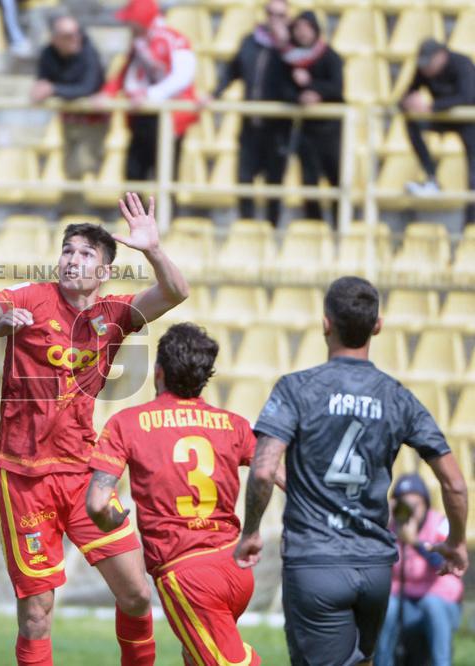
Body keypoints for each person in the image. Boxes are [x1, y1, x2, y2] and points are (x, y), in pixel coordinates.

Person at [0, 193, 189, 666]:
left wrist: (154, 250)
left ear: (104, 272)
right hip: (23, 478)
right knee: (37, 613)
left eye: (85, 255)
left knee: (137, 594)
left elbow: (175, 292)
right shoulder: (31, 297)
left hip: (84, 478)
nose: (72, 261)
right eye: (67, 251)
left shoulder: (116, 314)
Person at [235, 276, 469, 666]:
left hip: (316, 563)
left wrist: (252, 531)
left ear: (326, 323)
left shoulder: (296, 389)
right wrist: (458, 543)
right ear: (377, 327)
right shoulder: (397, 396)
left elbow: (263, 471)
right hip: (376, 569)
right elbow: (455, 484)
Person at [86, 323, 266, 666]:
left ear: (158, 372)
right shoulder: (235, 424)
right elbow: (272, 473)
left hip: (189, 575)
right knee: (194, 655)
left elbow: (97, 502)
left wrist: (108, 519)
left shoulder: (128, 423)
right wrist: (254, 529)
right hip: (237, 569)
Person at [212, 0, 292, 226]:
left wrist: (285, 44)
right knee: (245, 178)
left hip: (277, 126)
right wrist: (214, 93)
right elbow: (232, 71)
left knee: (274, 181)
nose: (274, 19)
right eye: (271, 13)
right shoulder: (250, 41)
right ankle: (245, 226)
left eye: (280, 15)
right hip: (250, 124)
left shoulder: (290, 48)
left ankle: (272, 228)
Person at [102, 0, 198, 184]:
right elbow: (125, 73)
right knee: (133, 176)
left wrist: (150, 95)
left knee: (166, 177)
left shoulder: (172, 39)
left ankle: (164, 214)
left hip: (169, 119)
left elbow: (183, 77)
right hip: (141, 118)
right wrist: (108, 92)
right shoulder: (139, 44)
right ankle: (134, 214)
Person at [374, 474, 464, 666]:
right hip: (402, 602)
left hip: (439, 601)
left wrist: (415, 542)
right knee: (387, 607)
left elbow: (444, 563)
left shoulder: (439, 523)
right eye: (403, 505)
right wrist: (381, 518)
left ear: (426, 503)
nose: (409, 511)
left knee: (433, 605)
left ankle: (442, 663)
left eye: (415, 505)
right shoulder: (388, 527)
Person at [400, 38, 475, 227]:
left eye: (429, 64)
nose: (426, 70)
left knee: (473, 177)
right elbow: (406, 94)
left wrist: (431, 107)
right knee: (412, 123)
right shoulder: (423, 69)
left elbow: (467, 97)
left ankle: (470, 226)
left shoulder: (462, 64)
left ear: (441, 56)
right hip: (442, 117)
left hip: (469, 121)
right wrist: (408, 103)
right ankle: (432, 177)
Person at [281, 11, 344, 226]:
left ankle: (340, 226)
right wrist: (300, 97)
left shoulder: (330, 56)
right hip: (307, 133)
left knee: (337, 180)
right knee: (309, 181)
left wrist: (314, 89)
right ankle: (315, 227)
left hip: (331, 132)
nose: (302, 32)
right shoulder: (289, 59)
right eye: (298, 28)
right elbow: (282, 90)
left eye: (306, 27)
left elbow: (337, 87)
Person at [32, 14, 106, 189]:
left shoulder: (89, 52)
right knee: (68, 169)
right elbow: (42, 82)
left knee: (80, 166)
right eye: (67, 36)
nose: (74, 39)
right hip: (67, 119)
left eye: (77, 33)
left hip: (92, 121)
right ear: (55, 39)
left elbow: (87, 87)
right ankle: (71, 210)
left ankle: (80, 211)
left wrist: (54, 89)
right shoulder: (48, 54)